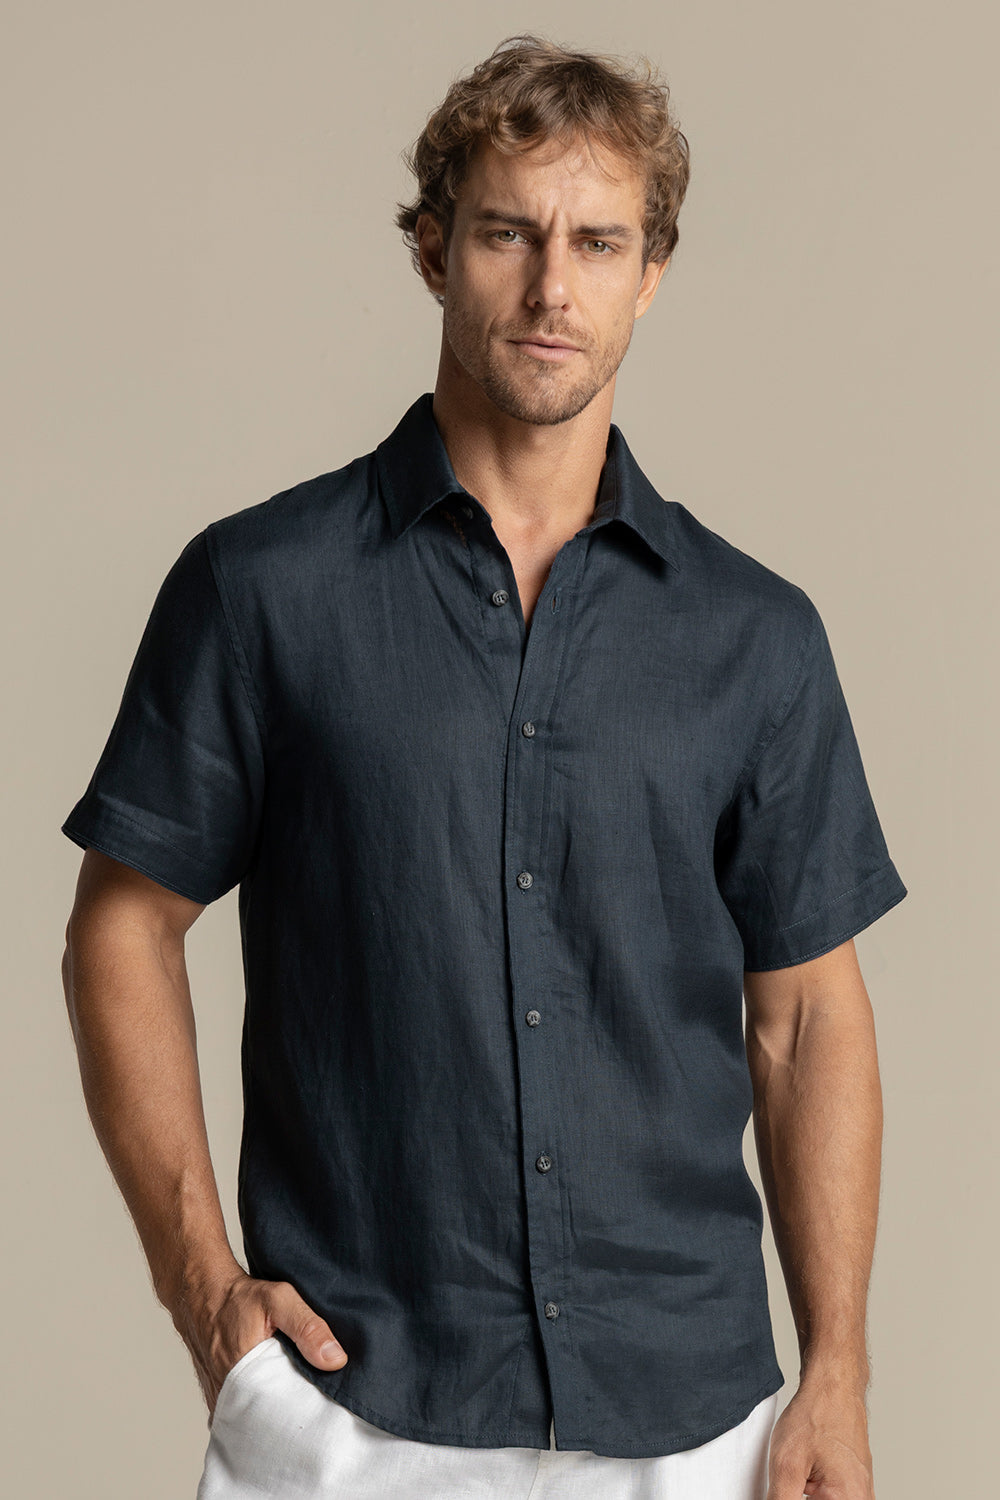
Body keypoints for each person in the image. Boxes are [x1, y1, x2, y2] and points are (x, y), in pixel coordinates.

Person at [60, 33, 906, 1500]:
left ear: (652, 274)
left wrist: (837, 1364)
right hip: (354, 1408)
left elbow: (807, 1019)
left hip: (692, 1423)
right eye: (510, 233)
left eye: (599, 243)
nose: (551, 287)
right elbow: (120, 927)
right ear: (433, 250)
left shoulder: (755, 637)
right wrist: (205, 1293)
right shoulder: (263, 590)